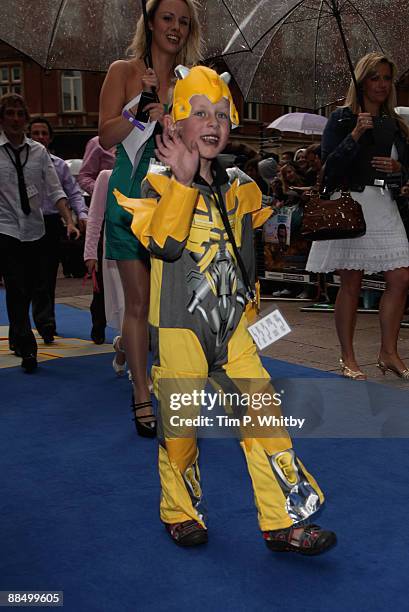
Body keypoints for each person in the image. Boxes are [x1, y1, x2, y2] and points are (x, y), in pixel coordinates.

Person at [115, 65, 336, 553]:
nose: (211, 122)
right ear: (175, 124)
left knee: (265, 416)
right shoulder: (154, 185)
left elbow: (258, 244)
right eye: (198, 113)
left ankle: (283, 520)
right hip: (179, 331)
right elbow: (167, 245)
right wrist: (184, 181)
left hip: (235, 329)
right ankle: (180, 510)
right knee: (179, 430)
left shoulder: (240, 186)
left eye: (220, 113)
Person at [99, 0, 203, 437]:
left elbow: (203, 142)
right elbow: (106, 136)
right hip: (128, 201)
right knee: (138, 304)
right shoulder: (122, 71)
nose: (175, 27)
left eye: (183, 21)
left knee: (170, 306)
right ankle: (142, 392)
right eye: (168, 18)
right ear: (150, 22)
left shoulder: (190, 82)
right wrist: (137, 106)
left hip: (173, 203)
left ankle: (129, 344)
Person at [307, 52, 409, 379]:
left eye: (386, 78)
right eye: (374, 77)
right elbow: (329, 167)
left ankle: (388, 352)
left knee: (401, 277)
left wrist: (399, 169)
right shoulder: (341, 119)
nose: (381, 84)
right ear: (361, 80)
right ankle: (347, 357)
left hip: (385, 205)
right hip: (350, 203)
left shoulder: (396, 124)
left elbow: (405, 173)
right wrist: (354, 136)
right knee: (351, 282)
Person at [0, 94, 78, 372]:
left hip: (35, 229)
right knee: (16, 286)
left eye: (20, 114)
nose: (15, 119)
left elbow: (56, 188)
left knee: (33, 286)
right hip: (5, 228)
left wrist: (69, 220)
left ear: (26, 118)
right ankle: (27, 347)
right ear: (2, 117)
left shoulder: (38, 152)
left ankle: (21, 338)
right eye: (9, 113)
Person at [28, 116, 87, 341]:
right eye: (36, 133)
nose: (40, 137)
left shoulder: (59, 165)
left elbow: (72, 193)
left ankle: (46, 324)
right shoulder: (21, 163)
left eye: (44, 133)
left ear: (50, 138)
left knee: (47, 274)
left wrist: (80, 215)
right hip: (24, 223)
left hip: (51, 223)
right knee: (27, 277)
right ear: (29, 136)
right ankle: (27, 323)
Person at [84, 169, 127, 375]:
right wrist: (90, 253)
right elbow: (95, 216)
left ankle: (122, 347)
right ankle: (138, 373)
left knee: (149, 315)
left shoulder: (156, 172)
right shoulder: (106, 176)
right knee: (125, 307)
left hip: (151, 252)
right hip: (116, 253)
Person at [78, 137, 116, 344]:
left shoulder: (146, 140)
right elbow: (84, 177)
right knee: (101, 285)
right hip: (108, 222)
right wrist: (104, 192)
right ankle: (99, 324)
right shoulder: (99, 143)